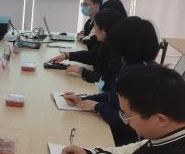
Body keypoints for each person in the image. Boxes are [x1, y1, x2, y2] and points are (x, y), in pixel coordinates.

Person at [65, 16, 160, 145]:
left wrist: (97, 106)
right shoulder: (133, 65)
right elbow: (112, 95)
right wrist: (83, 99)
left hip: (125, 140)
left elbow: (127, 121)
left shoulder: (140, 75)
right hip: (114, 126)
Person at [49, 9, 123, 91]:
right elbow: (93, 55)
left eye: (95, 26)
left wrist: (81, 71)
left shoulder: (118, 51)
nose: (94, 30)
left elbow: (107, 80)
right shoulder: (107, 43)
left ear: (104, 30)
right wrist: (68, 55)